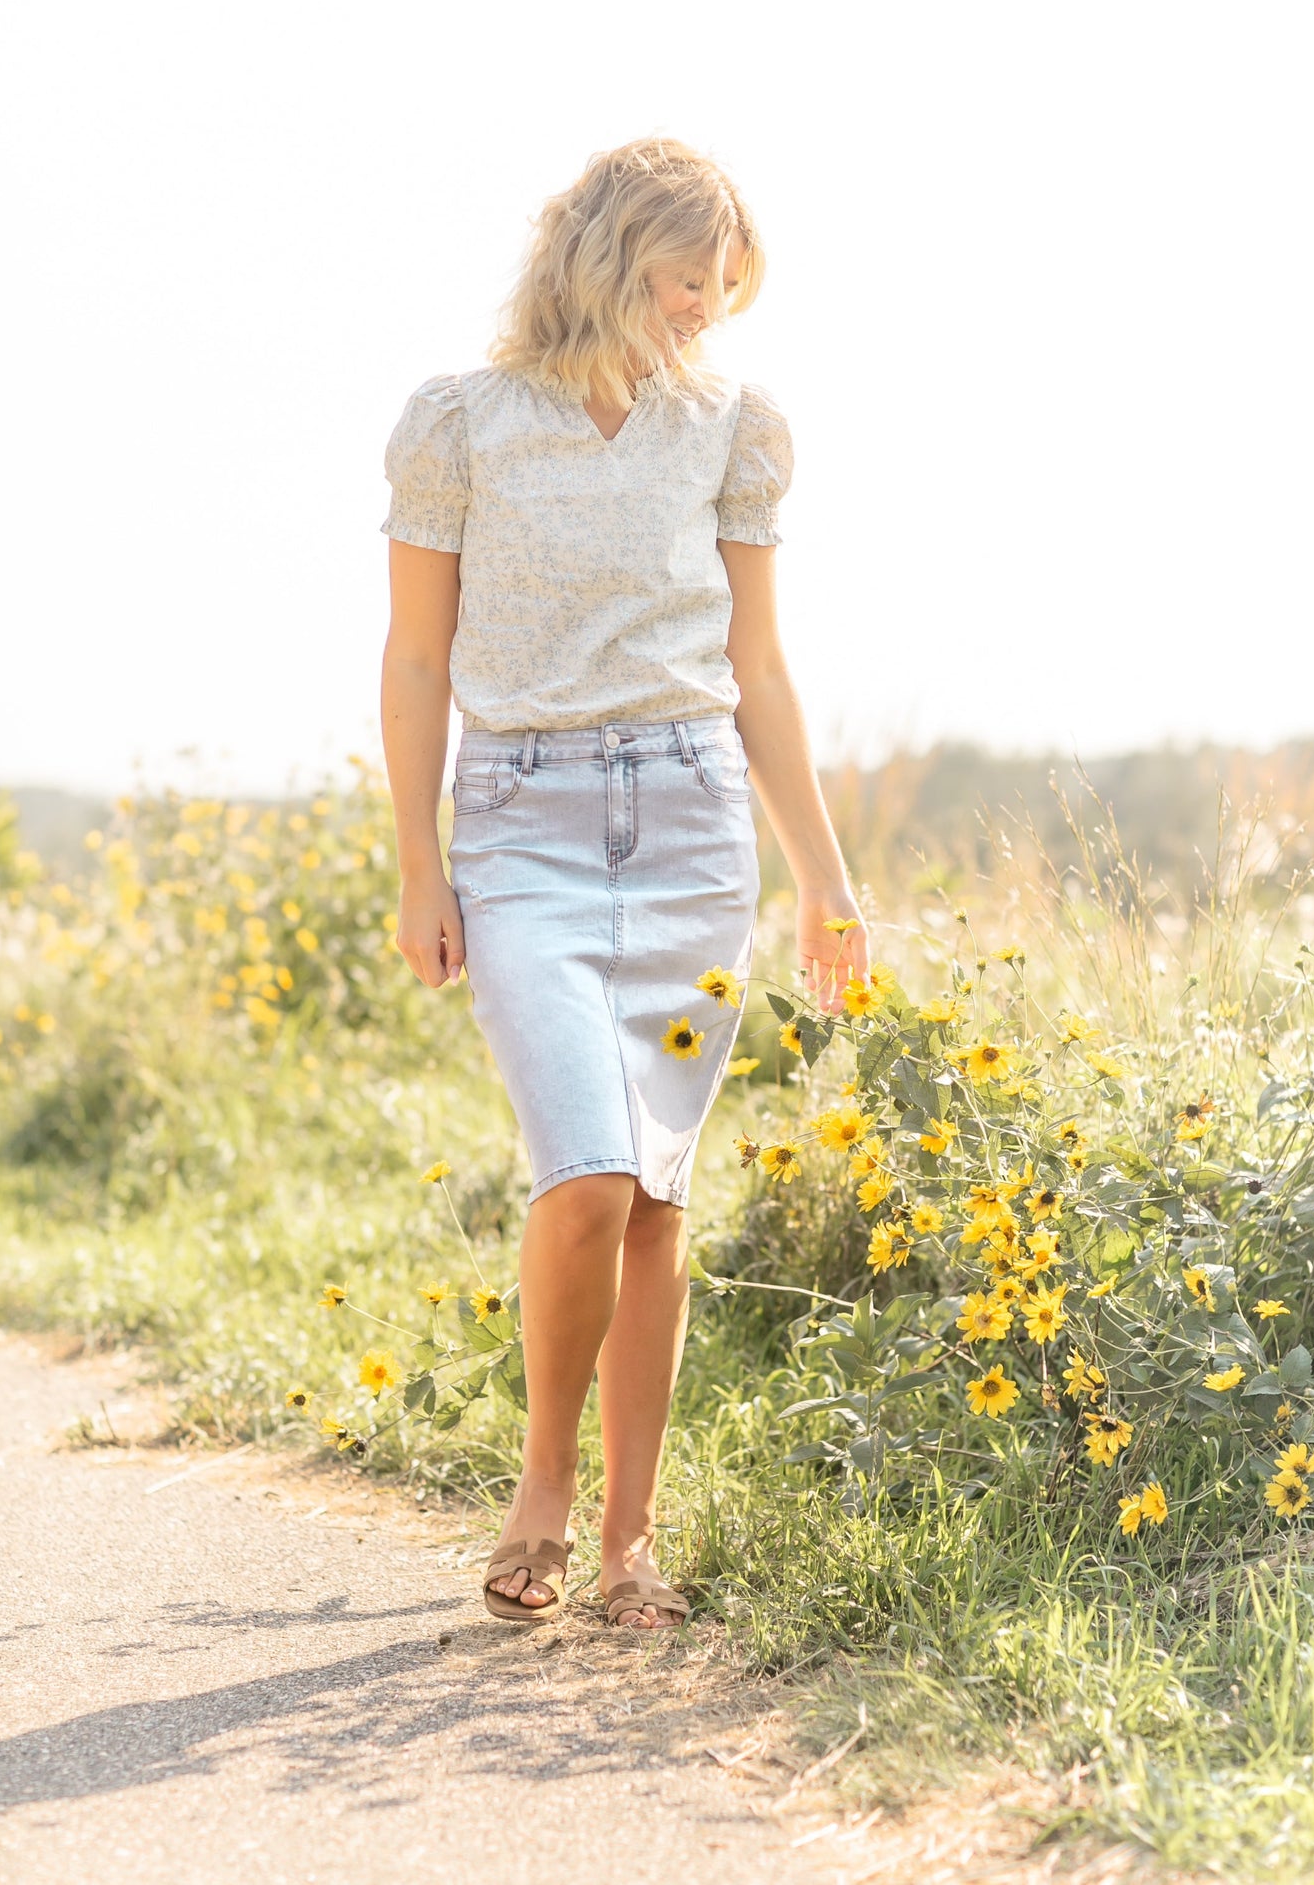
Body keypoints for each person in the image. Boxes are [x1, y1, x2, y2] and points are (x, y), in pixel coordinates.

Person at [379, 138, 869, 1631]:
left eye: (724, 291)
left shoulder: (733, 427)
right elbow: (413, 659)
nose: (703, 313)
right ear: (606, 261)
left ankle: (628, 1545)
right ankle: (541, 1480)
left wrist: (823, 882)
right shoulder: (460, 425)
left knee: (655, 1193)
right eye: (681, 282)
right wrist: (418, 864)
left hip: (691, 823)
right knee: (583, 1173)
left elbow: (759, 666)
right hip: (518, 821)